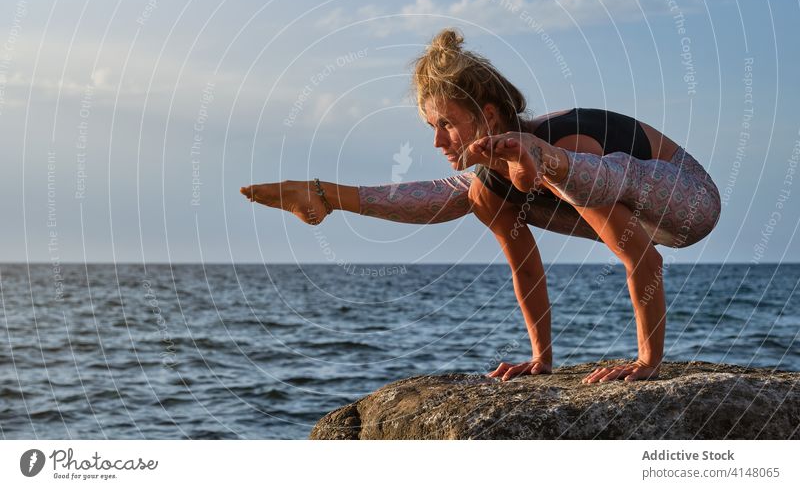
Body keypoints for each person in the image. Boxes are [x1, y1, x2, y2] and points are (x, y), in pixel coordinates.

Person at [241, 28, 721, 384]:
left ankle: (543, 162)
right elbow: (527, 272)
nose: (435, 140)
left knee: (563, 173)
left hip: (687, 200)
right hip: (568, 184)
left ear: (486, 115)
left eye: (446, 124)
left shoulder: (571, 139)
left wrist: (647, 362)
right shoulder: (489, 187)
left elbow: (643, 257)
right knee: (470, 191)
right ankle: (328, 195)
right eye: (431, 126)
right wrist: (541, 359)